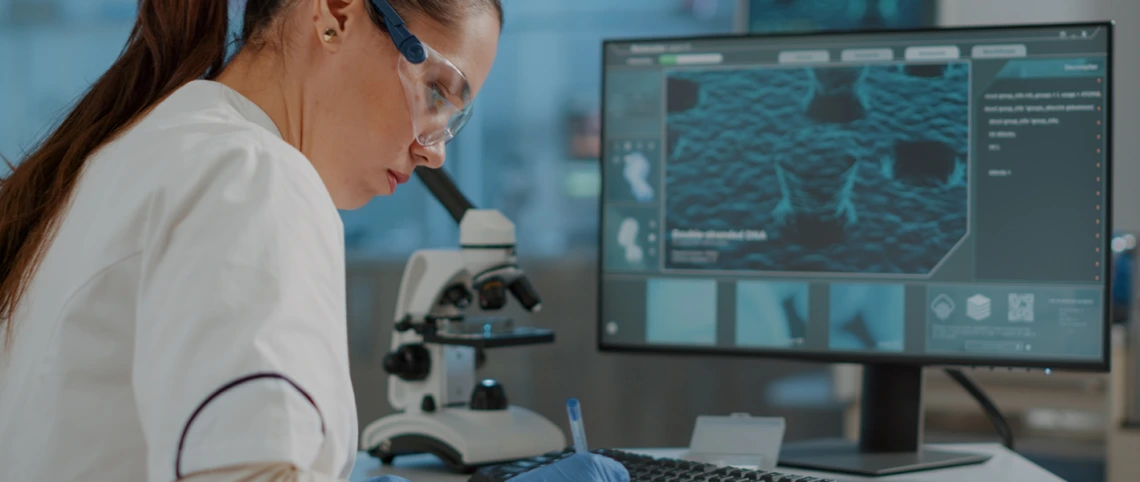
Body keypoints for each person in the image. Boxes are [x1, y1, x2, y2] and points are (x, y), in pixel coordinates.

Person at [0, 1, 629, 481]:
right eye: (436, 91)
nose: (433, 151)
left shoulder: (145, 149)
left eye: (452, 118)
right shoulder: (251, 177)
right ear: (335, 16)